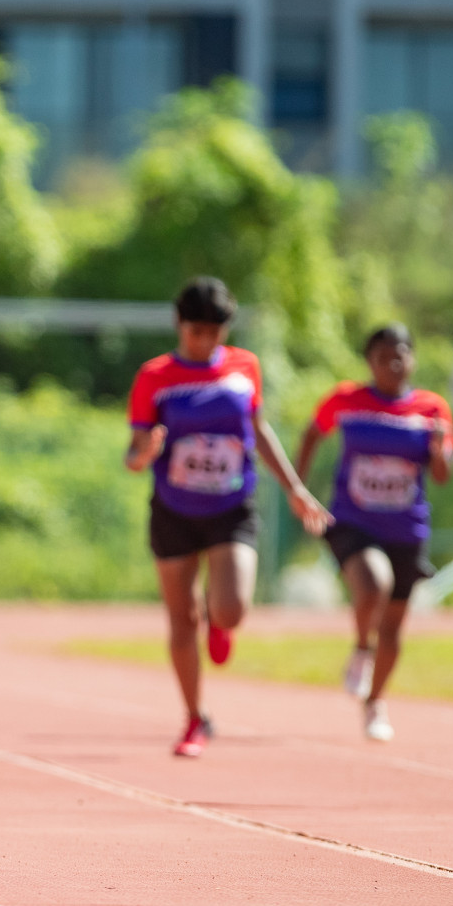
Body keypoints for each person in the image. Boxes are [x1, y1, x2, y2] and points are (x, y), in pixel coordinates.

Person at [124, 276, 329, 758]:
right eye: (196, 331)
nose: (204, 341)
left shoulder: (244, 368)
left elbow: (258, 429)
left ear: (225, 329)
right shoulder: (155, 376)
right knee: (179, 619)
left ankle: (218, 620)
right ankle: (195, 718)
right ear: (180, 324)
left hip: (230, 506)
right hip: (174, 508)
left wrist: (296, 488)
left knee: (231, 607)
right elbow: (133, 455)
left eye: (214, 332)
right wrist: (143, 453)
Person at [294, 324, 453, 742]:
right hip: (353, 521)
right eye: (384, 357)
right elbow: (311, 434)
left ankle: (374, 702)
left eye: (401, 355)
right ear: (370, 362)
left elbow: (442, 475)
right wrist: (301, 490)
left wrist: (438, 452)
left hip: (406, 528)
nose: (394, 364)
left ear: (412, 359)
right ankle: (362, 647)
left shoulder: (432, 409)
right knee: (372, 585)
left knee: (396, 628)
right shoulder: (347, 400)